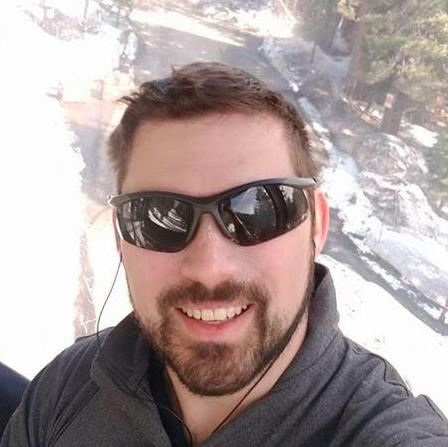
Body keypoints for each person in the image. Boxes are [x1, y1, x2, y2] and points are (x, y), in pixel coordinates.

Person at [2, 62, 448, 447]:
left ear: (317, 225)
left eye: (259, 209)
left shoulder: (382, 430)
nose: (210, 267)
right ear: (121, 236)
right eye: (158, 217)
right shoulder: (68, 387)